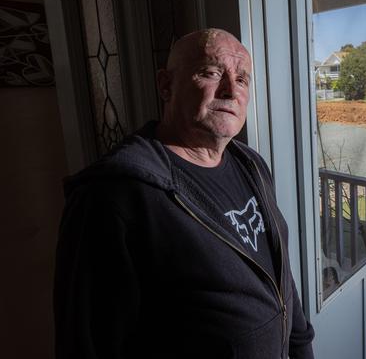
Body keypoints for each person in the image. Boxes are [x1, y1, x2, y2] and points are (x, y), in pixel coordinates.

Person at [54, 28, 315, 359]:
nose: (231, 90)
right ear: (166, 85)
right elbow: (86, 343)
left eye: (243, 79)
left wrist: (301, 346)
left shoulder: (252, 165)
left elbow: (280, 273)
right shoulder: (113, 195)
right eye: (211, 72)